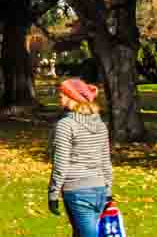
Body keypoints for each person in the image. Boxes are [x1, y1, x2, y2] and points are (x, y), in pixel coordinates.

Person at [48, 78, 114, 237]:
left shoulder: (66, 125)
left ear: (73, 98)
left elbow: (61, 164)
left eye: (63, 94)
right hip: (100, 190)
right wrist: (108, 190)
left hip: (77, 192)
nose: (59, 96)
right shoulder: (100, 124)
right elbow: (106, 160)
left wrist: (53, 193)